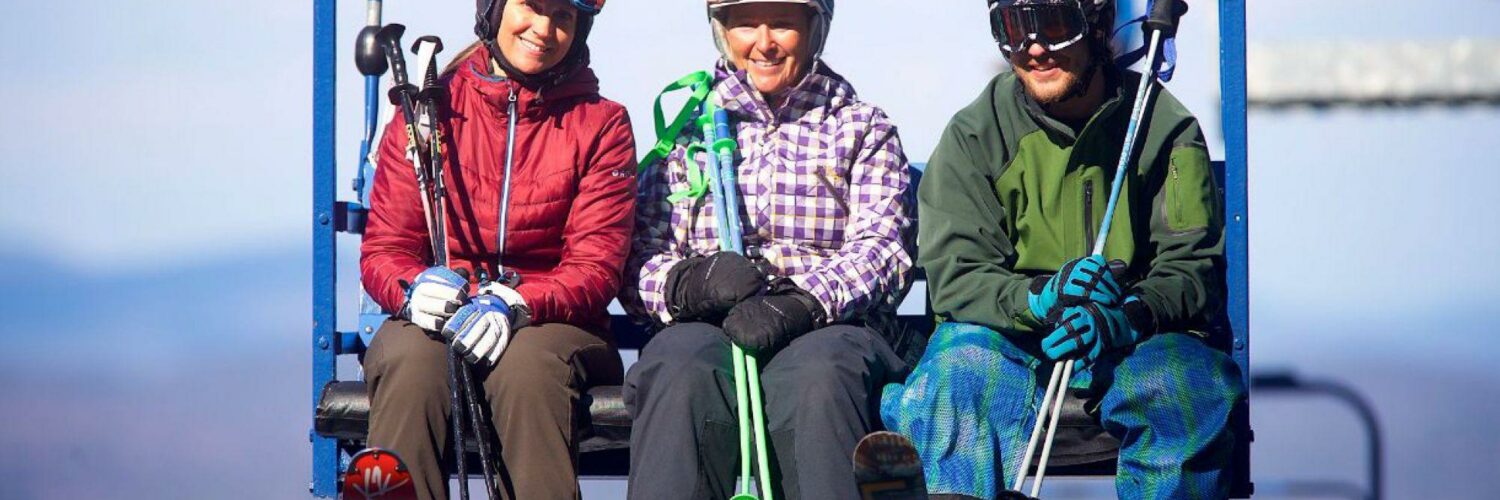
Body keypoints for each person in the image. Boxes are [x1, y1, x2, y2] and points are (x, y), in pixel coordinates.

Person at [880, 0, 1246, 498]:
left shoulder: (1161, 127)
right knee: (955, 381)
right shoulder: (975, 134)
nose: (1034, 48)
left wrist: (1128, 316)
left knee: (1186, 389)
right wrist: (1039, 298)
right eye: (1012, 28)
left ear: (1098, 25)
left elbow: (1190, 267)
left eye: (1054, 25)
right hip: (1008, 337)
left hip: (1128, 340)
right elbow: (958, 274)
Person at [619, 1, 914, 498]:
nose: (764, 42)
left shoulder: (861, 127)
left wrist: (802, 301)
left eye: (782, 23)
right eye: (744, 24)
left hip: (827, 326)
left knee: (819, 378)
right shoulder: (689, 133)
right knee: (678, 367)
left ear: (814, 30)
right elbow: (640, 256)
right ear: (721, 32)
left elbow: (883, 247)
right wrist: (686, 284)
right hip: (710, 325)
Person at [358, 0, 636, 498]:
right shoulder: (426, 112)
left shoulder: (601, 125)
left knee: (527, 368)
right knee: (408, 360)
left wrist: (518, 301)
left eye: (564, 18)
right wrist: (413, 290)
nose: (544, 30)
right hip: (443, 315)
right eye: (530, 7)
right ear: (494, 10)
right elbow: (386, 248)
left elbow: (596, 266)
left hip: (556, 324)